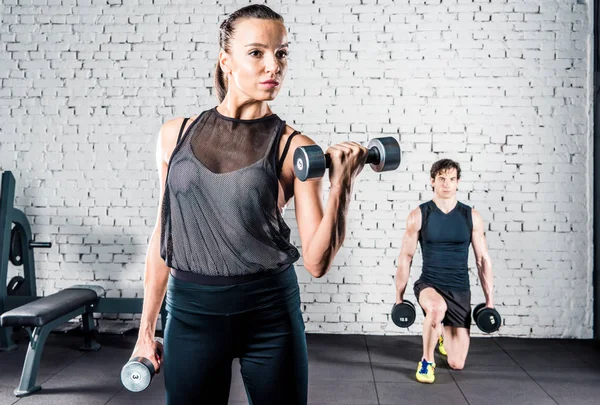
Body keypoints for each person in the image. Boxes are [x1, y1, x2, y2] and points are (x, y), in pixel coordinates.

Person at [128, 4, 369, 404]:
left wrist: (341, 185)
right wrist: (144, 330)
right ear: (227, 60)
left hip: (269, 314)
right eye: (257, 52)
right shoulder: (176, 135)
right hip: (190, 315)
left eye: (281, 53)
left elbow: (316, 262)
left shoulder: (295, 148)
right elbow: (163, 237)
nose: (273, 65)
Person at [394, 159, 495, 383]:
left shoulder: (471, 216)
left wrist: (490, 301)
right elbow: (406, 257)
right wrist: (399, 297)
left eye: (451, 179)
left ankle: (439, 337)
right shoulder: (419, 215)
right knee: (437, 309)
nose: (446, 184)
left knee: (457, 363)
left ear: (458, 182)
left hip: (459, 290)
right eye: (441, 179)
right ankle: (426, 361)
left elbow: (482, 259)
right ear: (432, 181)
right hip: (430, 284)